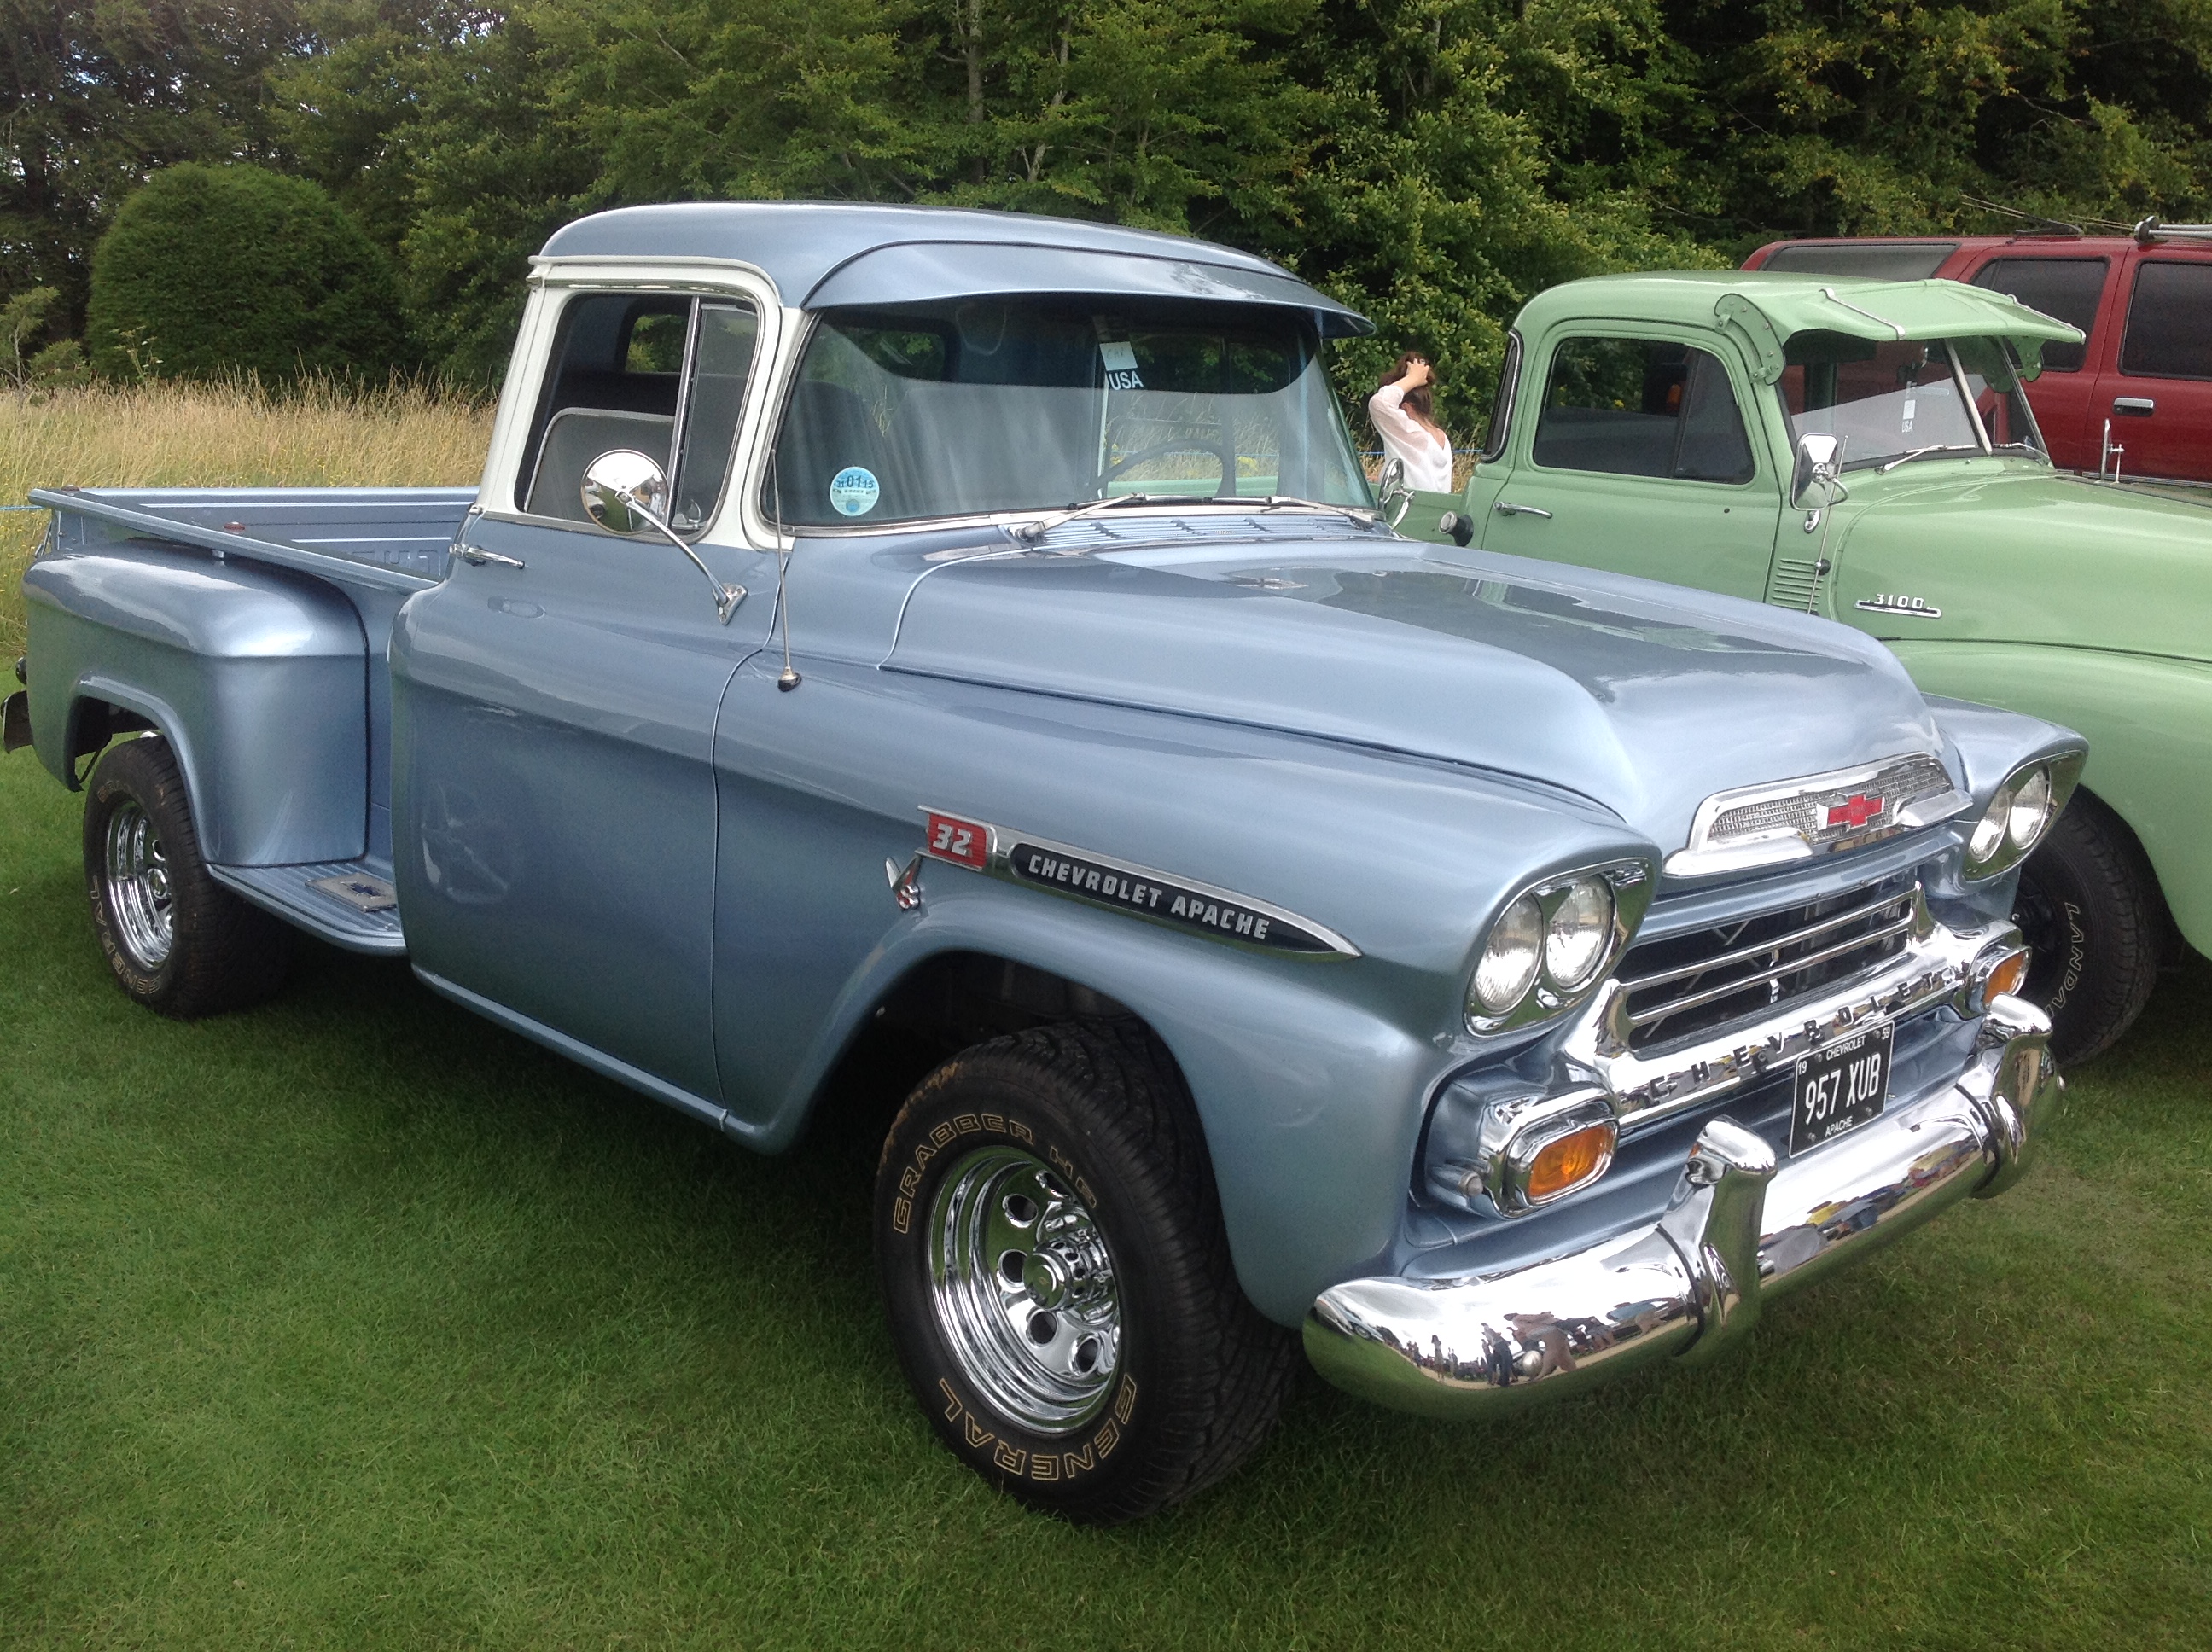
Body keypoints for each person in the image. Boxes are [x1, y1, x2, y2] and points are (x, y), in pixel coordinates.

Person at [1368, 352, 1454, 493]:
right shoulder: (1441, 437)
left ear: (1405, 408)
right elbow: (1420, 477)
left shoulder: (1413, 433)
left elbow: (1379, 403)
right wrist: (1382, 479)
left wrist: (1413, 378)